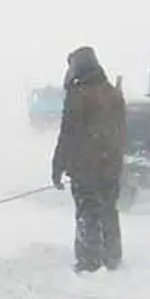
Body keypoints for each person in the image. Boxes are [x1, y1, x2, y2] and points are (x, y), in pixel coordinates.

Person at [51, 46, 126, 273]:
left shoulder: (78, 95)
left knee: (87, 212)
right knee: (109, 210)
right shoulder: (113, 93)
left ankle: (89, 260)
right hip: (111, 166)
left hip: (85, 168)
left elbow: (68, 134)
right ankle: (112, 257)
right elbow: (121, 132)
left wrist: (58, 165)